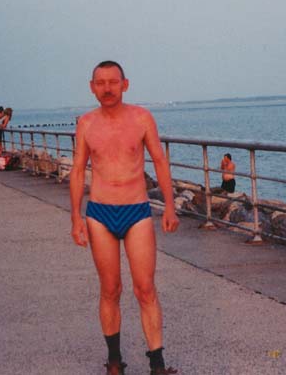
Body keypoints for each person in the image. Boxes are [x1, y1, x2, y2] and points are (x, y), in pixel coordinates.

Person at [70, 60, 179, 375]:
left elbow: (159, 160)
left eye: (113, 82)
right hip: (100, 213)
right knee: (110, 289)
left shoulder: (141, 118)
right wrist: (75, 218)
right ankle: (115, 361)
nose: (107, 88)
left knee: (145, 289)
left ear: (125, 84)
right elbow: (77, 170)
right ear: (92, 87)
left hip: (136, 211)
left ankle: (157, 365)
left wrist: (169, 206)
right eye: (100, 83)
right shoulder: (87, 123)